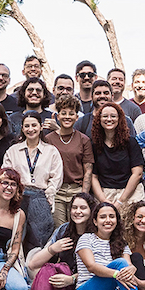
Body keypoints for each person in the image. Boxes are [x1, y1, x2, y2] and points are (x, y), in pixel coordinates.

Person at [3, 112, 63, 255]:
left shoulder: (51, 151)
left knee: (39, 238)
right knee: (15, 236)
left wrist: (49, 194)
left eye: (34, 125)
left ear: (41, 127)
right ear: (22, 129)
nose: (31, 129)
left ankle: (35, 271)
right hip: (17, 196)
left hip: (40, 196)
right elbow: (6, 173)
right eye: (27, 126)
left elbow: (57, 176)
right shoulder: (13, 151)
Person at [25, 191, 94, 290]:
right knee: (47, 272)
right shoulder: (63, 230)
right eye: (74, 208)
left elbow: (99, 268)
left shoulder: (95, 234)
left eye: (83, 208)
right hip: (61, 283)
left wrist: (72, 279)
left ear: (91, 211)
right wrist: (52, 249)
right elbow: (33, 264)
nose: (78, 211)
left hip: (85, 285)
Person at [45, 96, 93, 225]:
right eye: (63, 113)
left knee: (78, 227)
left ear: (77, 117)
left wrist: (84, 196)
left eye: (71, 114)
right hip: (57, 191)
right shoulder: (48, 139)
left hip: (76, 190)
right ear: (57, 116)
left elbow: (88, 170)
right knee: (59, 229)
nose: (67, 117)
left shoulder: (84, 140)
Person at [90, 102, 145, 211]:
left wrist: (120, 201)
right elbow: (93, 176)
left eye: (113, 116)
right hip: (104, 193)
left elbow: (137, 173)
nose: (109, 119)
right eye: (105, 116)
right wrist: (103, 200)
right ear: (99, 120)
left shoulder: (131, 142)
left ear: (119, 119)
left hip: (130, 194)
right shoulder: (94, 144)